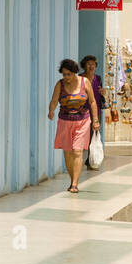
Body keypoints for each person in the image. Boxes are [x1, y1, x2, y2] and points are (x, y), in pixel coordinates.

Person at [47, 58, 100, 193]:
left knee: (77, 151)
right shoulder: (60, 85)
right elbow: (54, 100)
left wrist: (95, 120)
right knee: (68, 153)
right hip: (65, 122)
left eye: (68, 74)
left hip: (82, 121)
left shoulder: (84, 82)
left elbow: (93, 102)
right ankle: (73, 179)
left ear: (74, 73)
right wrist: (51, 111)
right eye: (64, 74)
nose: (66, 77)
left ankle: (74, 184)